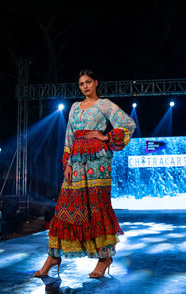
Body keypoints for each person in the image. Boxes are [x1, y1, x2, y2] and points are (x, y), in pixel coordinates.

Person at [34, 69, 136, 279]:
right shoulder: (74, 107)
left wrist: (105, 136)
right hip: (76, 161)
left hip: (98, 161)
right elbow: (69, 136)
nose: (85, 86)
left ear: (96, 82)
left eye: (88, 82)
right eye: (81, 84)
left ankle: (104, 257)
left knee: (96, 207)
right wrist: (67, 164)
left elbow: (128, 124)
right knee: (65, 206)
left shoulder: (105, 104)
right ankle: (53, 256)